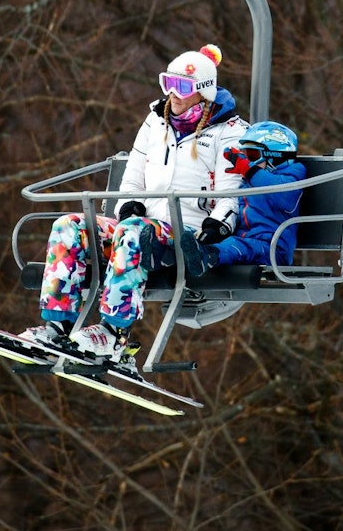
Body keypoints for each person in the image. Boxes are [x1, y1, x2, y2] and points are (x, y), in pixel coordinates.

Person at [19, 44, 248, 359]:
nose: (173, 94)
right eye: (167, 83)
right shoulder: (156, 120)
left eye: (182, 87)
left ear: (204, 92)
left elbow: (231, 194)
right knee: (70, 226)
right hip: (142, 225)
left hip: (185, 233)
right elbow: (133, 175)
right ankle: (57, 328)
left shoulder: (229, 132)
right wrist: (129, 204)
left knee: (132, 232)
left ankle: (114, 333)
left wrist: (214, 231)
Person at [177, 121, 307, 277]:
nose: (247, 161)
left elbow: (282, 194)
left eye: (252, 155)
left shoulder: (293, 175)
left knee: (235, 246)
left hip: (272, 249)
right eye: (243, 155)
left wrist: (247, 169)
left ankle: (208, 257)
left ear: (275, 156)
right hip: (249, 242)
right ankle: (186, 253)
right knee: (223, 240)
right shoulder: (249, 181)